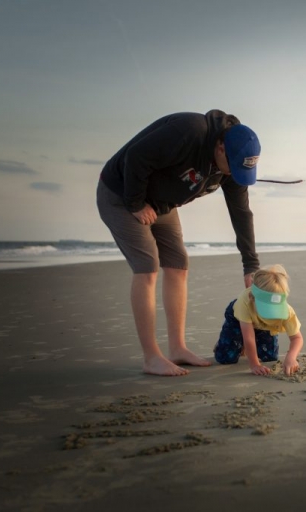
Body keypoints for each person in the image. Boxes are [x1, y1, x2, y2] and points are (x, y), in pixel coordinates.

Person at [97, 110, 262, 377]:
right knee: (147, 265)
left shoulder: (234, 166)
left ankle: (177, 348)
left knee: (178, 264)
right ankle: (151, 357)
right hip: (122, 192)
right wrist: (136, 203)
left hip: (163, 204)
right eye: (232, 166)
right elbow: (135, 157)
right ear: (220, 147)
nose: (232, 174)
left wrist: (250, 266)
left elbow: (241, 214)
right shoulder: (189, 131)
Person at [214, 264, 304, 376]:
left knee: (269, 358)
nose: (270, 313)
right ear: (253, 296)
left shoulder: (287, 311)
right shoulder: (245, 302)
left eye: (274, 309)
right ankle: (228, 342)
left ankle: (248, 342)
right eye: (267, 308)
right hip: (238, 320)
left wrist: (291, 357)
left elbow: (297, 338)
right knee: (225, 358)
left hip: (264, 326)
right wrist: (254, 364)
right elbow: (249, 337)